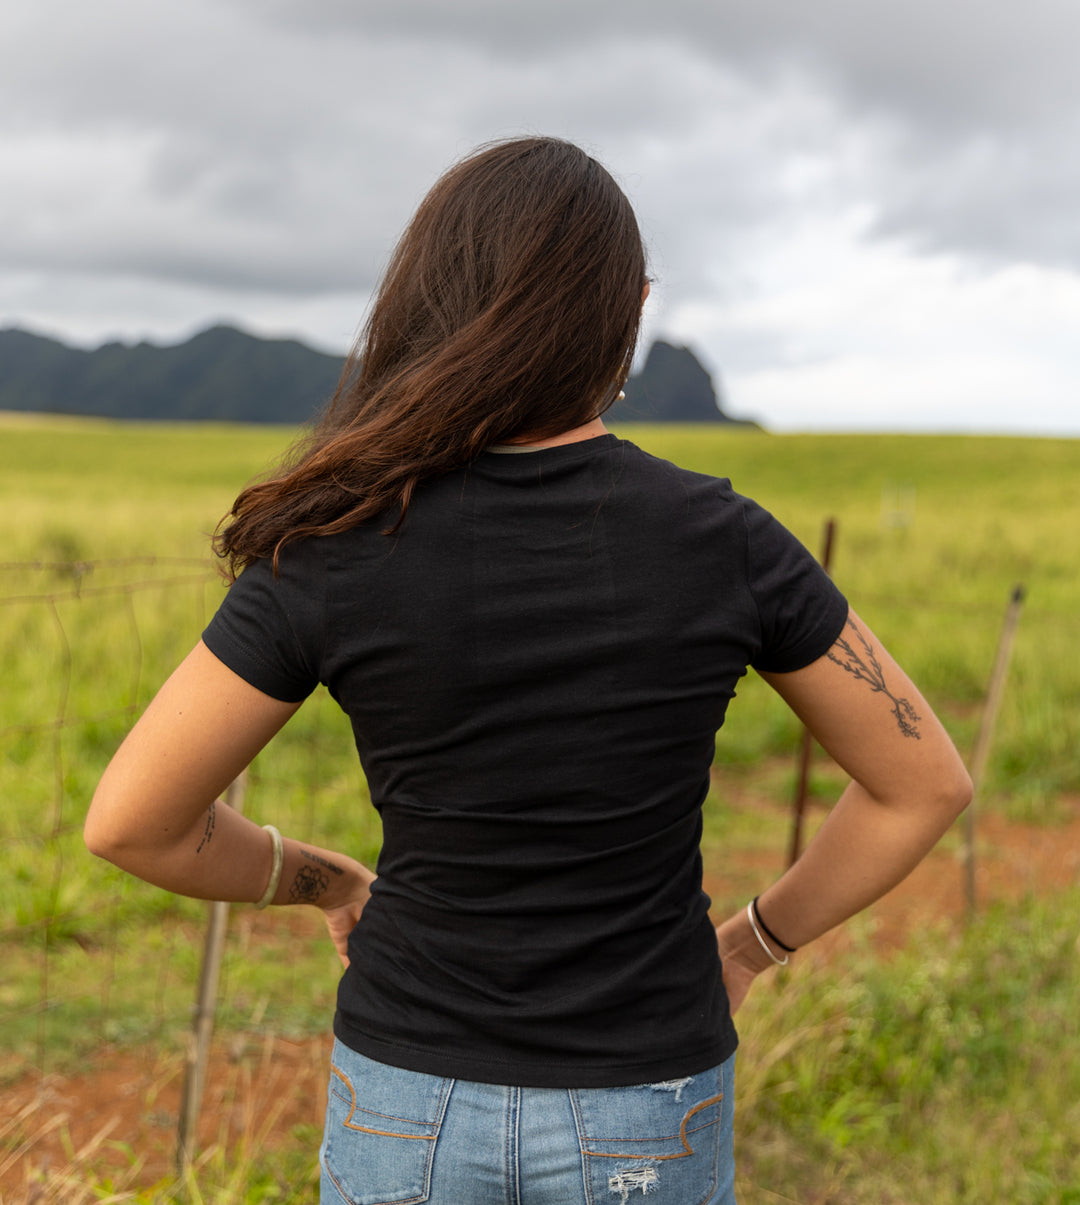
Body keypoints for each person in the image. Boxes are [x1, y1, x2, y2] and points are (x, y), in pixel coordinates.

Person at [85, 137, 972, 1205]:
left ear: (426, 301)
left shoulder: (337, 543)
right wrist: (750, 943)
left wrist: (322, 879)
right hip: (648, 1091)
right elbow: (925, 782)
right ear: (628, 312)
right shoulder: (724, 538)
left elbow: (130, 820)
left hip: (403, 1096)